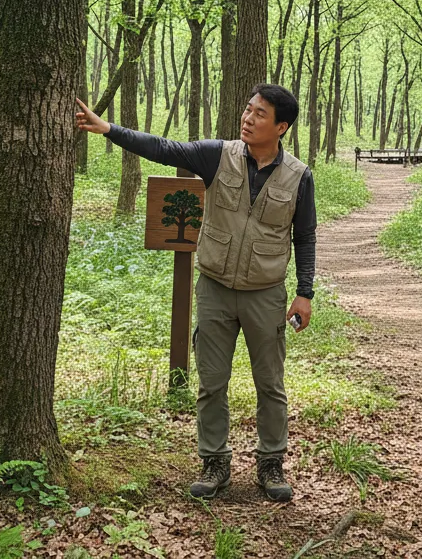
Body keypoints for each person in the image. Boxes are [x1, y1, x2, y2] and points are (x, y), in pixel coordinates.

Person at [74, 85, 315, 503]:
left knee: (270, 385)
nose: (248, 118)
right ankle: (215, 461)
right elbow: (164, 148)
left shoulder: (299, 175)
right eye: (247, 108)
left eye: (260, 114)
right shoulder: (217, 155)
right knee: (211, 382)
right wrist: (108, 129)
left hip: (266, 294)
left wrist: (304, 292)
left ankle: (271, 464)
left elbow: (305, 236)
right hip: (216, 289)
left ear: (281, 127)